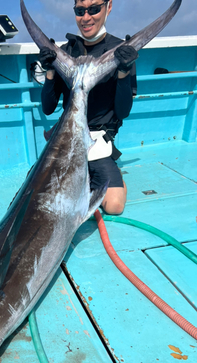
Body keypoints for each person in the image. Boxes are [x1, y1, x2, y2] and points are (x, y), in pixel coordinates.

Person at [39, 0, 138, 215]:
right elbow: (47, 108)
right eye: (80, 11)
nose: (86, 17)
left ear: (108, 7)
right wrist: (50, 71)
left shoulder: (122, 53)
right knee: (45, 204)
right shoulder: (64, 53)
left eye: (94, 9)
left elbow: (123, 112)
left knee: (114, 206)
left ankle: (112, 177)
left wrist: (123, 72)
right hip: (65, 140)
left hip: (98, 143)